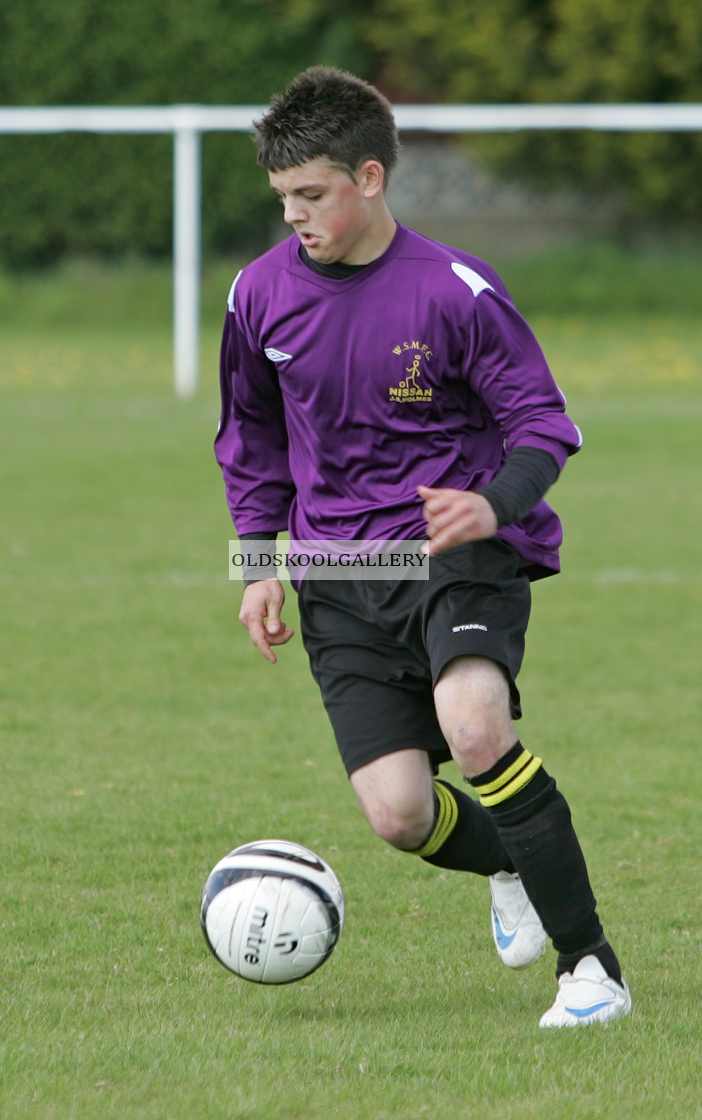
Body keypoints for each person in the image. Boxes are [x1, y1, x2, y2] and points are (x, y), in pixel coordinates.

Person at [215, 66, 631, 1028]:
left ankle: (592, 970)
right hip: (338, 572)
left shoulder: (454, 291)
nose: (295, 218)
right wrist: (259, 560)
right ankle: (513, 862)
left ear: (369, 176)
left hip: (451, 551)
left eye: (311, 195)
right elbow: (251, 435)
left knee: (476, 727)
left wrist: (492, 505)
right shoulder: (258, 295)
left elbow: (543, 424)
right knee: (400, 814)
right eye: (282, 199)